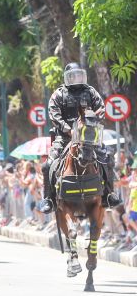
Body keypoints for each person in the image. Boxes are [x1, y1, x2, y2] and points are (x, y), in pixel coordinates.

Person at [38, 62, 121, 213]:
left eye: (78, 75)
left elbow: (101, 108)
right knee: (47, 165)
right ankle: (49, 198)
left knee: (108, 157)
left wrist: (93, 120)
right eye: (72, 76)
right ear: (66, 77)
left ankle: (109, 194)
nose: (76, 78)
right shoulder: (58, 94)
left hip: (88, 136)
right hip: (65, 138)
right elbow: (54, 115)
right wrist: (68, 130)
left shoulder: (90, 91)